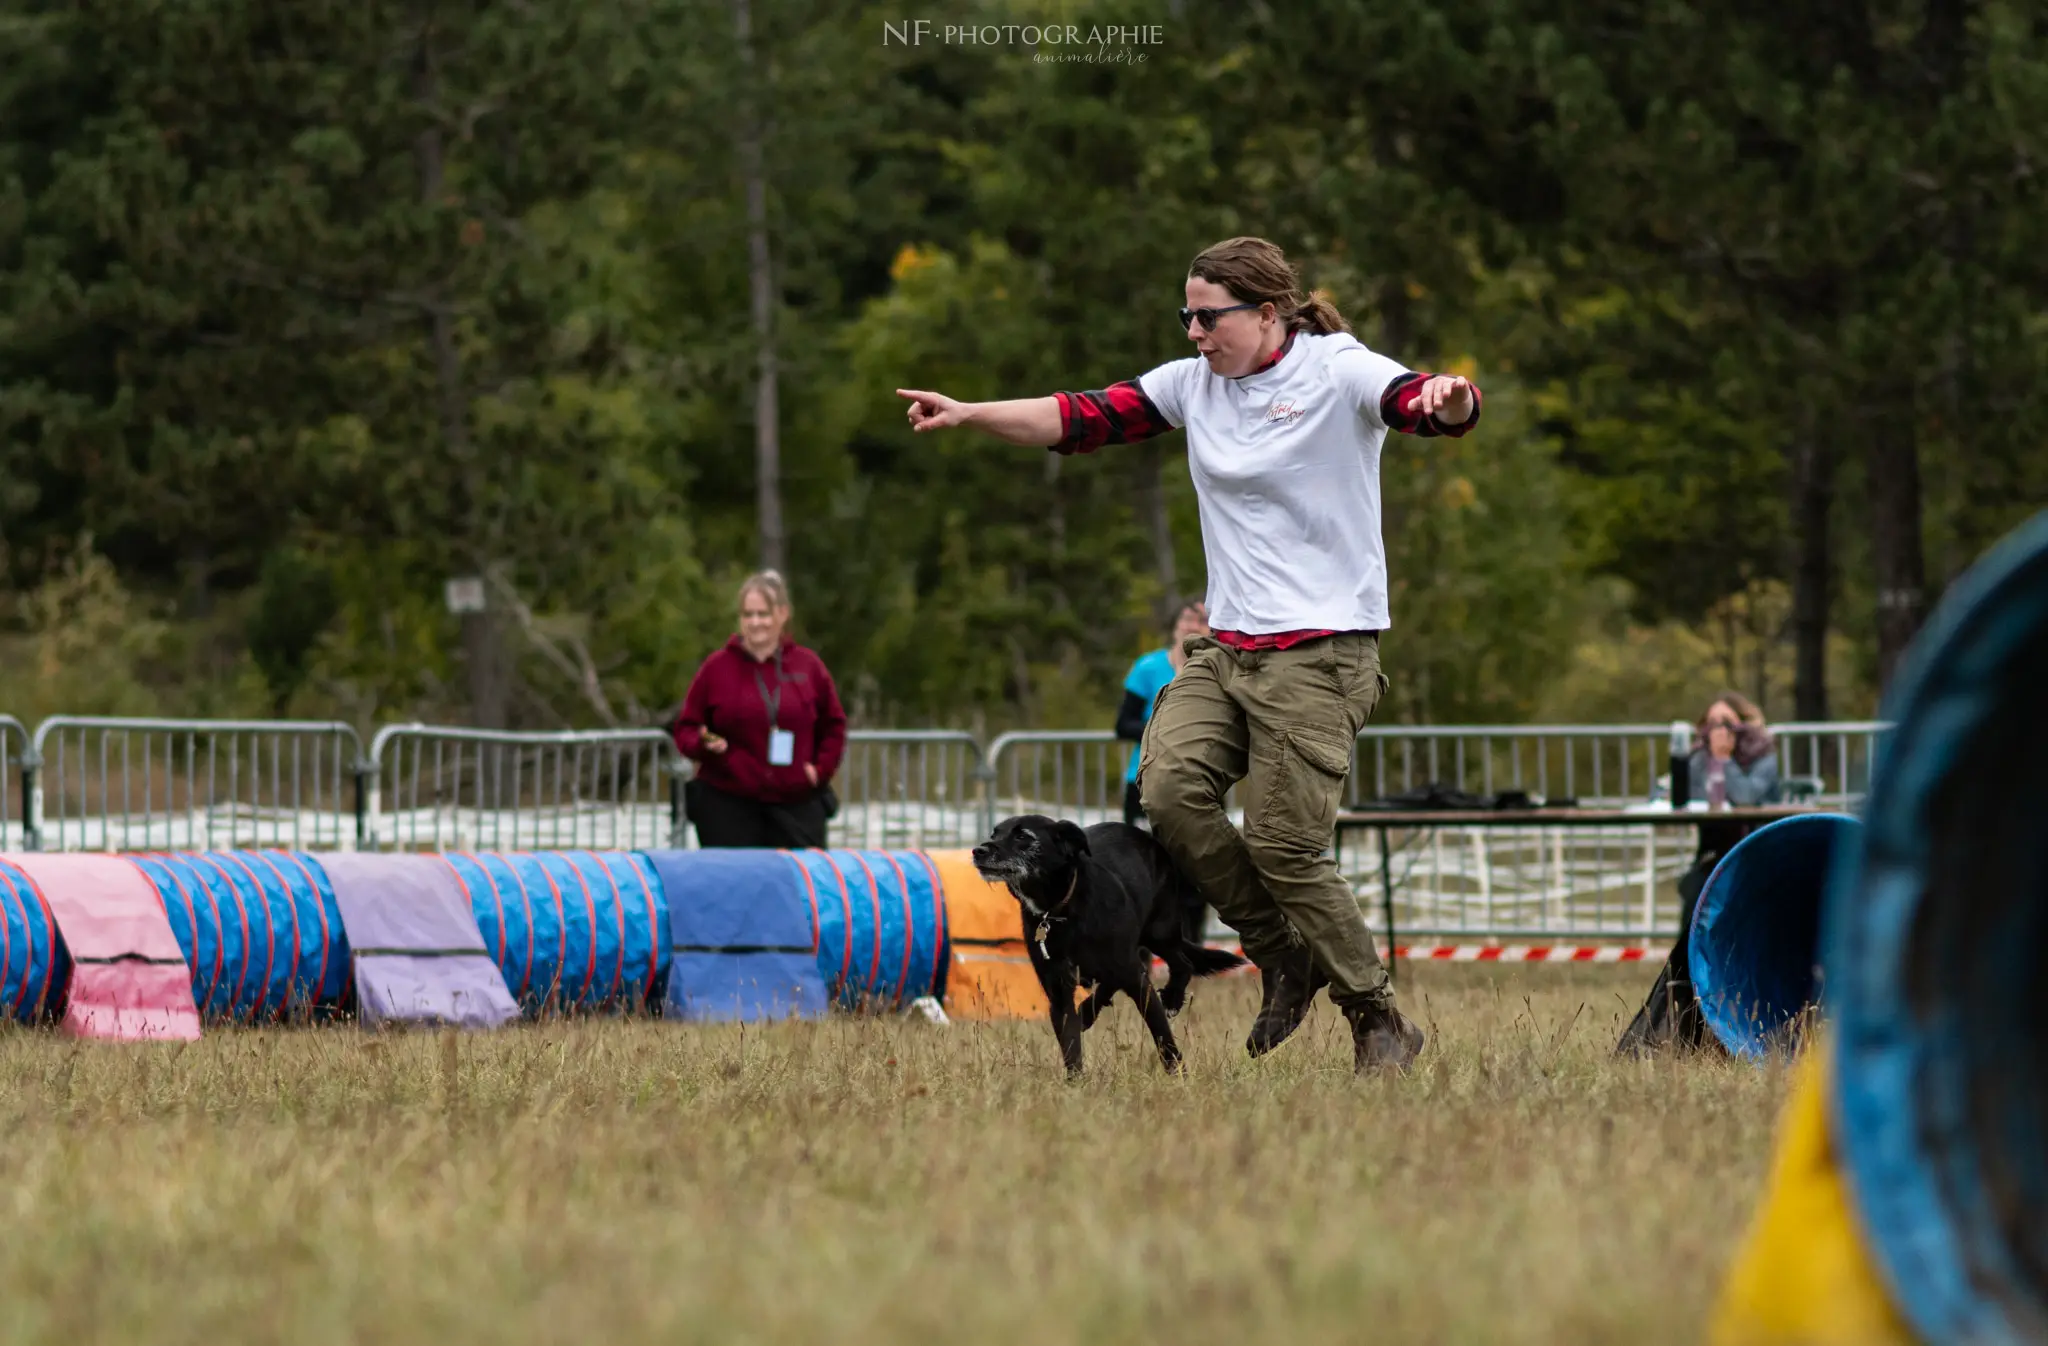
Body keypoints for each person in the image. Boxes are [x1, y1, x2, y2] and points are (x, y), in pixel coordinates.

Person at [897, 235, 1482, 1073]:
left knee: (1284, 845)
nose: (1194, 334)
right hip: (1226, 651)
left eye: (1208, 318)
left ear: (1266, 313)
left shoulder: (1335, 367)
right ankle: (1284, 952)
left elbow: (1412, 398)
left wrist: (1448, 402)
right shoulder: (1192, 386)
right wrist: (968, 412)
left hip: (1321, 654)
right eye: (1187, 317)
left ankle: (1378, 1018)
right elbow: (1080, 416)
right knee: (1166, 792)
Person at [1618, 692, 1784, 1056]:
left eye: (1726, 722)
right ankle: (1685, 1030)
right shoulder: (1698, 758)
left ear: (1742, 724)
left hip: (1756, 855)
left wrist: (1724, 761)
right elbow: (1669, 794)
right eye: (1711, 724)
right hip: (1712, 857)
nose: (1717, 731)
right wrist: (1684, 768)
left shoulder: (1762, 756)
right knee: (1693, 915)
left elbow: (1747, 799)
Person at [671, 570, 847, 849]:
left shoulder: (809, 667)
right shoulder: (716, 668)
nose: (755, 623)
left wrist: (820, 769)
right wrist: (706, 743)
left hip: (796, 805)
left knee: (801, 887)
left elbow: (834, 726)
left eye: (763, 614)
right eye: (747, 614)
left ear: (782, 614)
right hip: (729, 804)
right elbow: (687, 729)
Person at [1115, 600, 1211, 830]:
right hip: (1149, 778)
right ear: (1175, 625)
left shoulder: (1218, 669)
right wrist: (1165, 731)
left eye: (1202, 621)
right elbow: (1123, 724)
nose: (1193, 627)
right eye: (1187, 618)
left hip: (1204, 779)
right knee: (1142, 858)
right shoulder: (1148, 667)